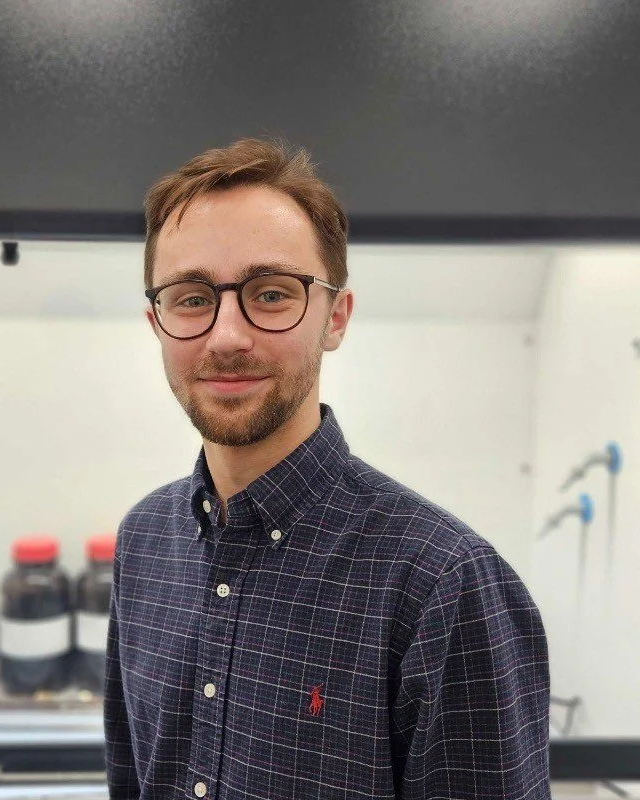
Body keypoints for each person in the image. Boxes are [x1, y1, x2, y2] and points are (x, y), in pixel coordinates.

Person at [104, 138, 551, 799]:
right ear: (157, 322)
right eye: (192, 298)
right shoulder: (143, 541)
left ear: (335, 317)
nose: (227, 335)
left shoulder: (443, 586)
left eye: (272, 293)